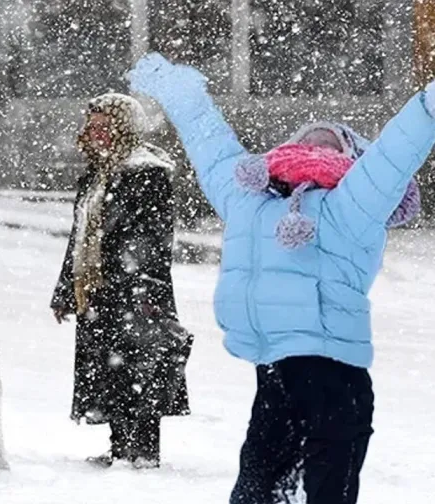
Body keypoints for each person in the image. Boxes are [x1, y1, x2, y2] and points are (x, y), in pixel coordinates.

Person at [128, 52, 435, 503]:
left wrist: (428, 104)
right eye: (308, 140)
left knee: (324, 489)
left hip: (334, 371)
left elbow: (395, 153)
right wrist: (183, 96)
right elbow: (210, 145)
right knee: (257, 488)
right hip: (276, 371)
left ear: (353, 160)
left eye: (332, 143)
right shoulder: (251, 200)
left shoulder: (353, 204)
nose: (318, 143)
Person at [50, 93, 191, 469]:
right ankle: (119, 445)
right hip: (98, 289)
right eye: (91, 126)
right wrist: (65, 289)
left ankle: (144, 451)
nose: (94, 133)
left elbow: (155, 238)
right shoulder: (97, 174)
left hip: (136, 289)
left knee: (140, 365)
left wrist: (146, 287)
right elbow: (79, 236)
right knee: (108, 367)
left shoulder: (147, 172)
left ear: (124, 127)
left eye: (103, 126)